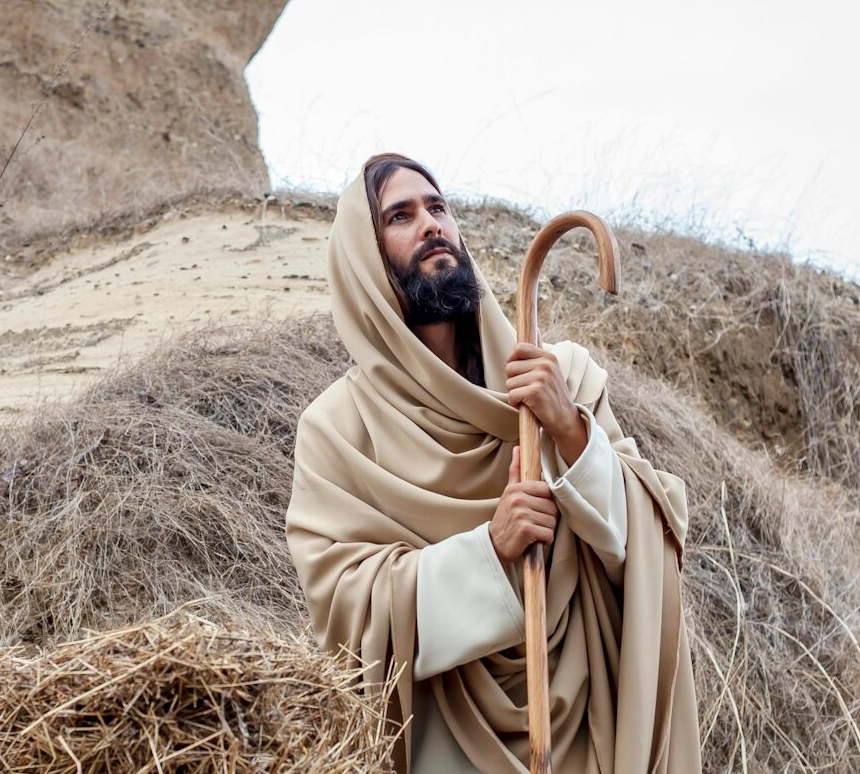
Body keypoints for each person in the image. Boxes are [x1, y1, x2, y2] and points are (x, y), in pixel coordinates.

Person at [286, 153, 699, 773]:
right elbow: (347, 611)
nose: (431, 225)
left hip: (590, 730)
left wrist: (571, 432)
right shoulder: (338, 431)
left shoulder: (560, 377)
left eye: (438, 208)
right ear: (364, 266)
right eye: (400, 216)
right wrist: (490, 550)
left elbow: (653, 533)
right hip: (446, 742)